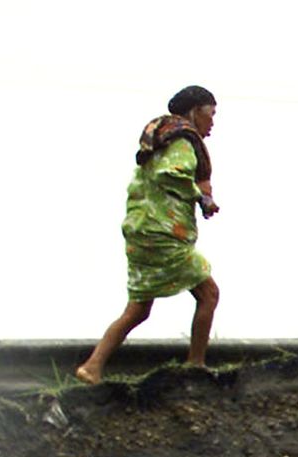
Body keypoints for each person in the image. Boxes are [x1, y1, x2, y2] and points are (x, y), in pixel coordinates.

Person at [76, 86, 222, 384]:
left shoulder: (160, 136)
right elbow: (169, 175)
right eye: (211, 114)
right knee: (209, 293)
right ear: (195, 111)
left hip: (141, 231)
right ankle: (195, 366)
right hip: (162, 233)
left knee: (139, 308)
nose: (212, 123)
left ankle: (92, 366)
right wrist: (202, 198)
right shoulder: (182, 141)